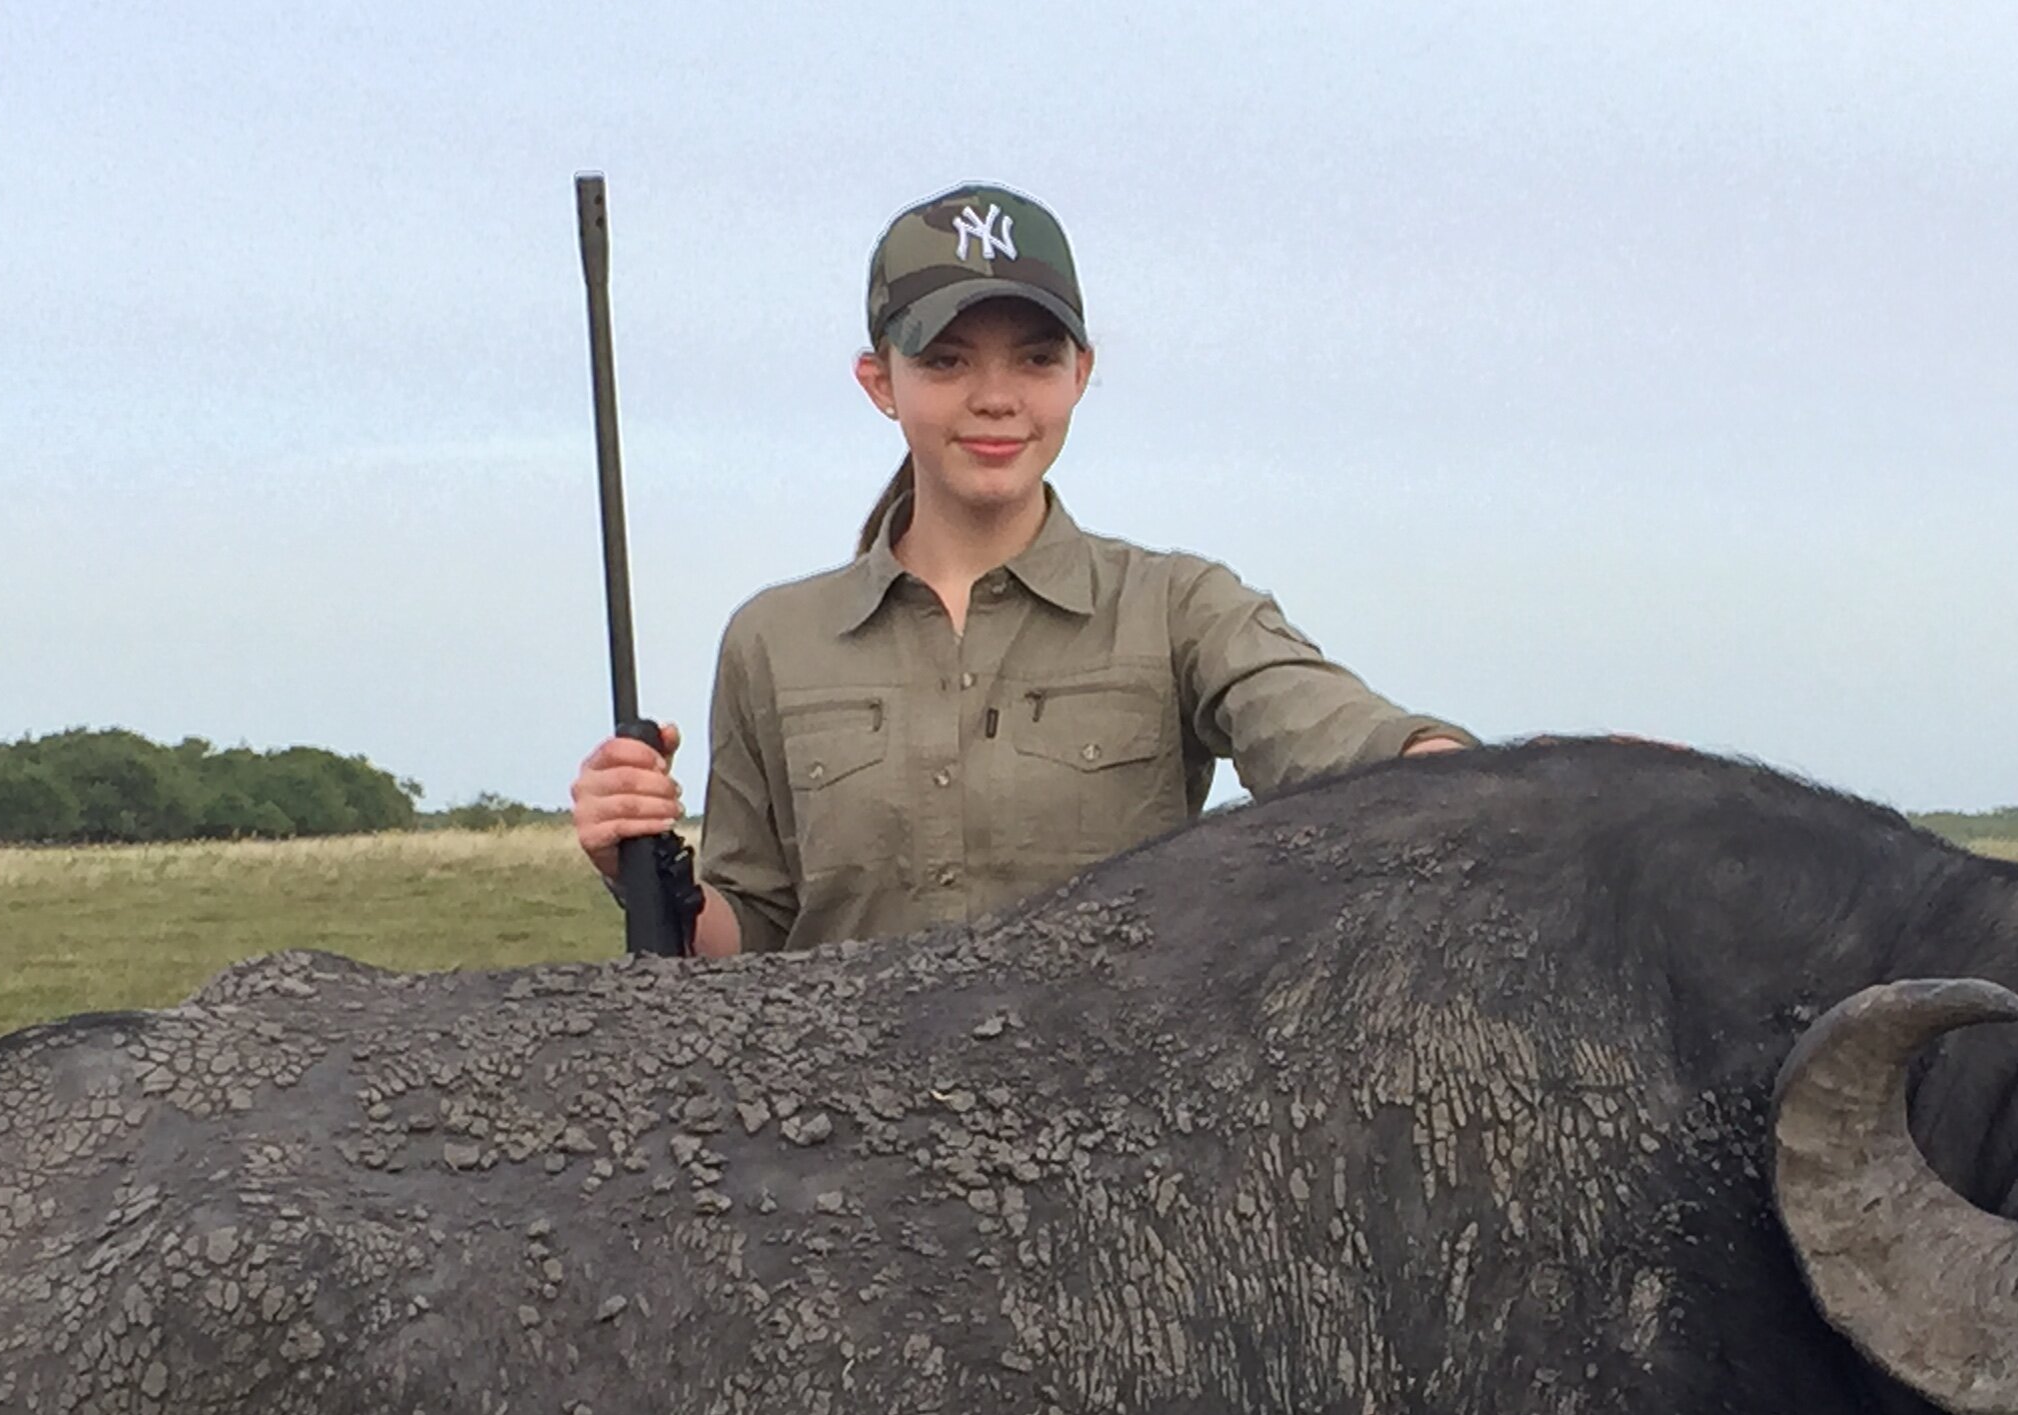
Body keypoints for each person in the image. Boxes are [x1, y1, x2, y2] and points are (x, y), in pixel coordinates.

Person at [570, 185, 1472, 954]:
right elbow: (751, 935)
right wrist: (640, 862)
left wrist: (1530, 791)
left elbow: (1359, 751)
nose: (996, 397)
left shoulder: (1178, 608)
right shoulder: (773, 639)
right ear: (879, 381)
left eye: (1036, 359)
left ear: (1081, 372)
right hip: (841, 1140)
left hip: (1112, 1132)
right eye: (946, 360)